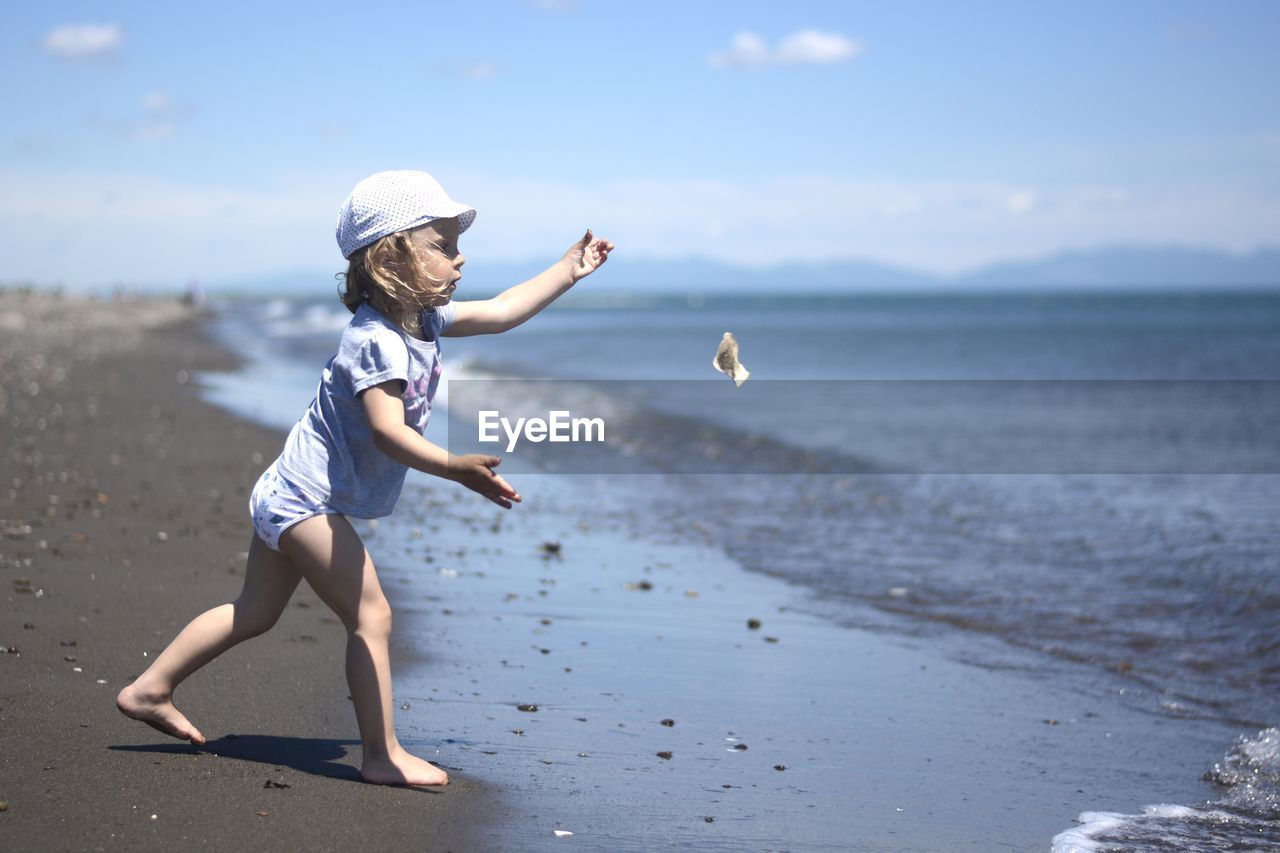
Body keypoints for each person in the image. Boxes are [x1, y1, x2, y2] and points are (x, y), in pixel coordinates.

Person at [116, 170, 614, 787]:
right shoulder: (376, 342)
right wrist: (453, 467)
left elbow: (503, 310)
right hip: (302, 499)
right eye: (443, 247)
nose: (460, 261)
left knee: (255, 612)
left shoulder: (422, 322)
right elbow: (386, 431)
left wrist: (569, 268)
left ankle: (149, 688)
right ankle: (381, 756)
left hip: (292, 491)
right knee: (371, 616)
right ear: (390, 257)